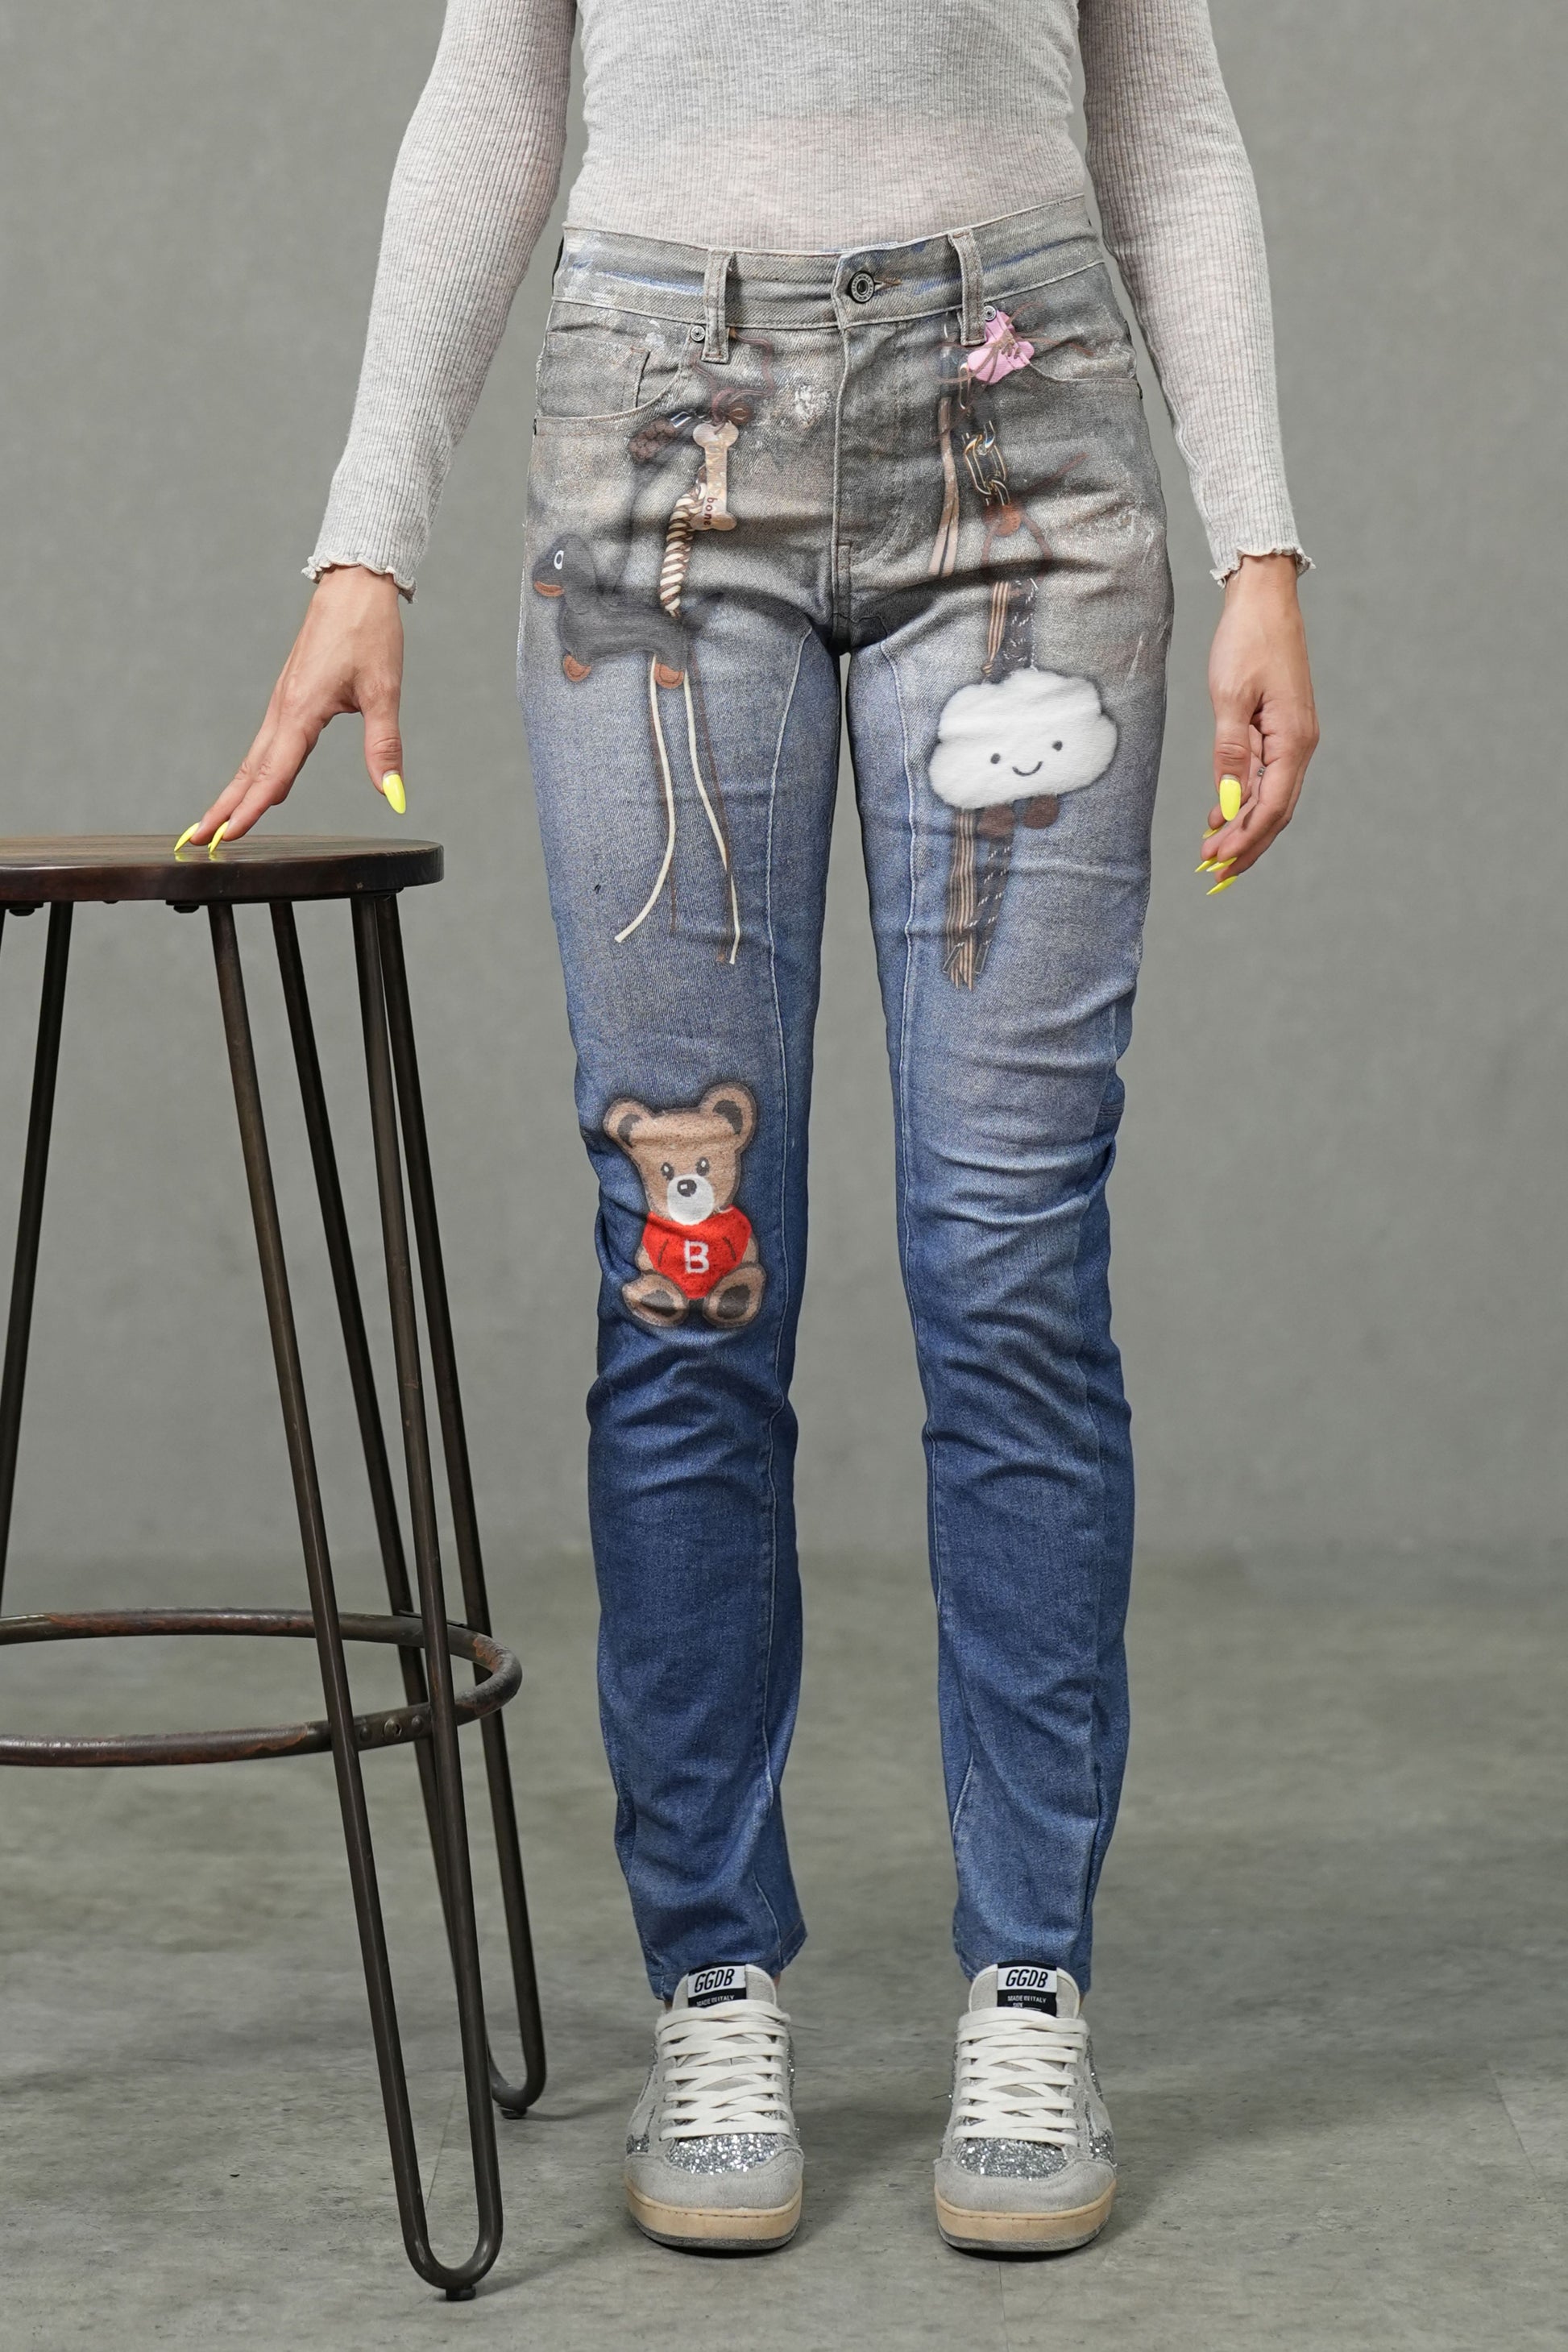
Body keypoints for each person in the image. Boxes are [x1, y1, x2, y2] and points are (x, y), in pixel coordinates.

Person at [184, 0, 1317, 2259]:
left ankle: (1029, 1981)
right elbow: (497, 87)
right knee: (688, 1276)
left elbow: (1162, 108)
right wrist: (363, 544)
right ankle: (713, 1979)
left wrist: (1262, 543)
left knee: (1010, 1264)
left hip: (1025, 450)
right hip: (647, 448)